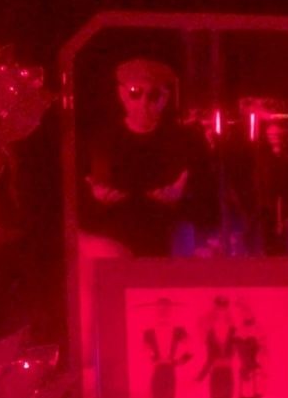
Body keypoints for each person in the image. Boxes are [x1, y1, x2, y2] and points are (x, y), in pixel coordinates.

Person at [78, 58, 217, 258]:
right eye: (135, 93)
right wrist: (96, 200)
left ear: (165, 98)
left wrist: (180, 199)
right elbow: (75, 210)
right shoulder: (100, 141)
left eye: (154, 95)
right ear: (121, 94)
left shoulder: (186, 142)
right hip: (114, 248)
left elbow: (209, 208)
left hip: (169, 249)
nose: (144, 102)